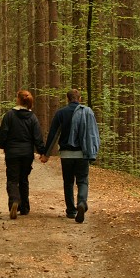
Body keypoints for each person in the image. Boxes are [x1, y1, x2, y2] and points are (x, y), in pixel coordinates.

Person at [41, 89, 100, 223]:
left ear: (67, 99)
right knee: (82, 180)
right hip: (82, 153)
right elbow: (93, 133)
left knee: (68, 182)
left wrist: (46, 154)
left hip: (66, 155)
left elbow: (53, 134)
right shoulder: (87, 112)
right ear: (80, 98)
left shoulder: (61, 113)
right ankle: (82, 203)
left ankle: (71, 211)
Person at [0, 89, 46, 219]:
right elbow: (37, 137)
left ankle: (14, 200)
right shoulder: (33, 118)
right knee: (23, 179)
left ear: (18, 99)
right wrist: (42, 151)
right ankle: (24, 208)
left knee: (12, 179)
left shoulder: (9, 116)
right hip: (27, 154)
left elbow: (3, 133)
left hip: (12, 152)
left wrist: (3, 145)